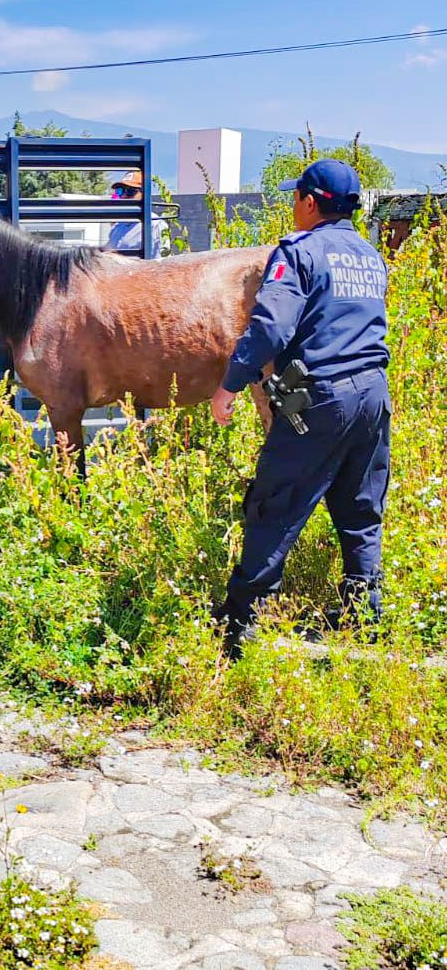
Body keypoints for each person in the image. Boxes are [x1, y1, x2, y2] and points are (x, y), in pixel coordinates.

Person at [210, 158, 389, 655]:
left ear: (311, 202)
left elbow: (271, 327)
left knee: (275, 503)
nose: (293, 206)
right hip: (374, 393)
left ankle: (243, 622)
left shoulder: (300, 252)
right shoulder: (371, 256)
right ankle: (364, 614)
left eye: (296, 198)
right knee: (360, 506)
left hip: (323, 397)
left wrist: (229, 385)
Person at [106, 170, 165, 254]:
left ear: (144, 193)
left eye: (130, 191)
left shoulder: (154, 224)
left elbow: (158, 262)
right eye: (120, 190)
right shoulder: (118, 225)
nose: (123, 196)